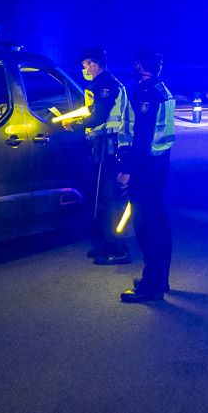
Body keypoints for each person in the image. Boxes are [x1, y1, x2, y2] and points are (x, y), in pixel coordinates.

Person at [116, 50, 176, 303]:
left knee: (146, 226)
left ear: (139, 65)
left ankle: (151, 287)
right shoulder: (163, 91)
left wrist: (127, 170)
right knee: (160, 224)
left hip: (144, 169)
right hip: (159, 166)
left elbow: (139, 136)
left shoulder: (144, 94)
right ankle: (160, 279)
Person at [64, 47, 132, 265]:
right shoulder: (102, 84)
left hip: (109, 150)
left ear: (93, 64)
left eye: (85, 65)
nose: (84, 69)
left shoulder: (107, 85)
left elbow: (100, 116)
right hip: (101, 147)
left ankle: (118, 249)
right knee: (99, 199)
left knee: (108, 200)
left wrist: (75, 125)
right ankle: (104, 245)